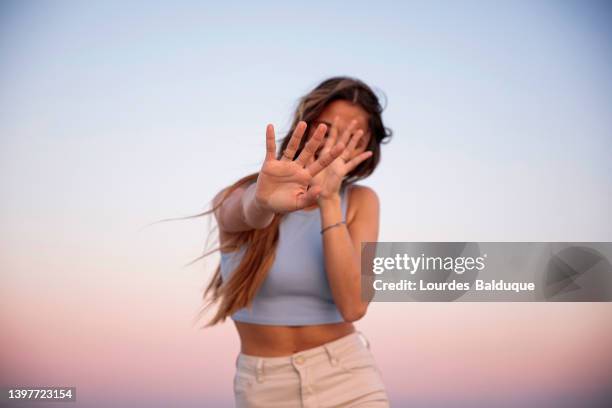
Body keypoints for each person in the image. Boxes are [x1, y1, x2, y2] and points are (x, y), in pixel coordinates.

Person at [199, 76, 392, 407]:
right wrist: (263, 202)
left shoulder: (361, 202)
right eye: (327, 130)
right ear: (306, 127)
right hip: (263, 388)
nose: (335, 146)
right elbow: (245, 212)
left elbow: (353, 306)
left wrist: (329, 200)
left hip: (348, 379)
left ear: (366, 151)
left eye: (352, 139)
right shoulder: (243, 195)